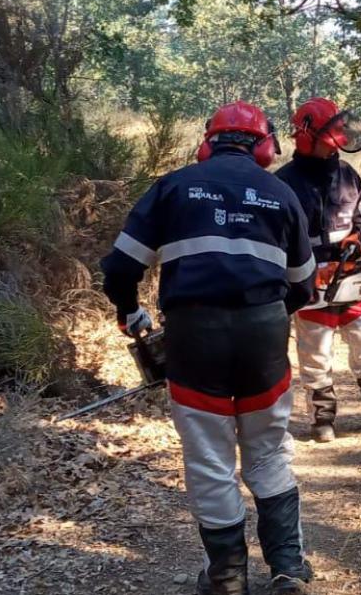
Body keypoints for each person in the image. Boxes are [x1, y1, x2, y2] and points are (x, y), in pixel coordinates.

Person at [100, 101, 316, 595]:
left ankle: (226, 578)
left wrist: (131, 313)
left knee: (209, 460)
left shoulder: (173, 187)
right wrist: (270, 315)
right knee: (266, 452)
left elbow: (119, 267)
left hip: (193, 338)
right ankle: (287, 568)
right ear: (264, 146)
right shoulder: (280, 192)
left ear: (208, 142)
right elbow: (303, 284)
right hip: (262, 336)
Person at [275, 97, 361, 444]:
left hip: (350, 275)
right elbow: (277, 236)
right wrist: (302, 269)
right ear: (307, 135)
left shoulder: (347, 174)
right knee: (315, 352)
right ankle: (323, 419)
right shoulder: (284, 183)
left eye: (339, 131)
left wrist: (358, 237)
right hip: (308, 280)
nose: (340, 139)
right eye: (331, 132)